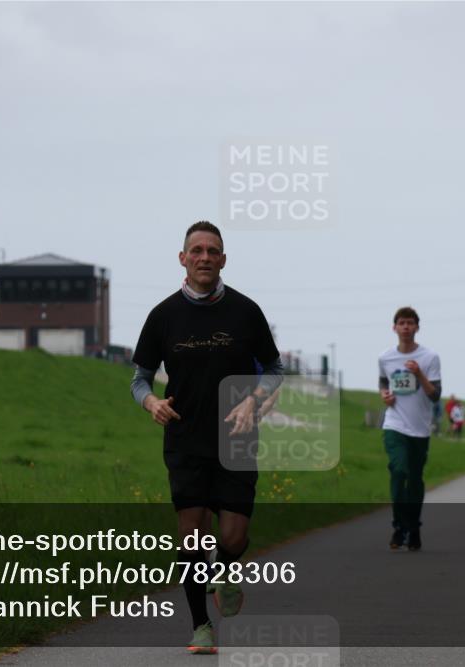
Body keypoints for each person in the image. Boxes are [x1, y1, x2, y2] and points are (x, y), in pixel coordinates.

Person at [130, 221, 283, 654]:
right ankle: (201, 626)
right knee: (191, 536)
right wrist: (151, 403)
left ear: (223, 260)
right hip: (185, 439)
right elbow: (139, 380)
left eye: (212, 251)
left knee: (233, 538)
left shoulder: (245, 311)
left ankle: (226, 566)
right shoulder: (163, 316)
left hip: (237, 439)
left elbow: (274, 370)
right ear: (182, 258)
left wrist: (253, 399)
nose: (204, 257)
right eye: (196, 250)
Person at [378, 307, 442, 551]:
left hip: (420, 428)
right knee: (398, 470)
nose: (405, 327)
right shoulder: (385, 357)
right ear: (394, 328)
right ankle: (398, 526)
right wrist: (384, 395)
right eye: (401, 323)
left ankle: (413, 528)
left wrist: (419, 374)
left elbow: (435, 395)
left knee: (414, 479)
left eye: (410, 323)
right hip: (394, 424)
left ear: (417, 327)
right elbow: (384, 382)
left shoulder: (430, 357)